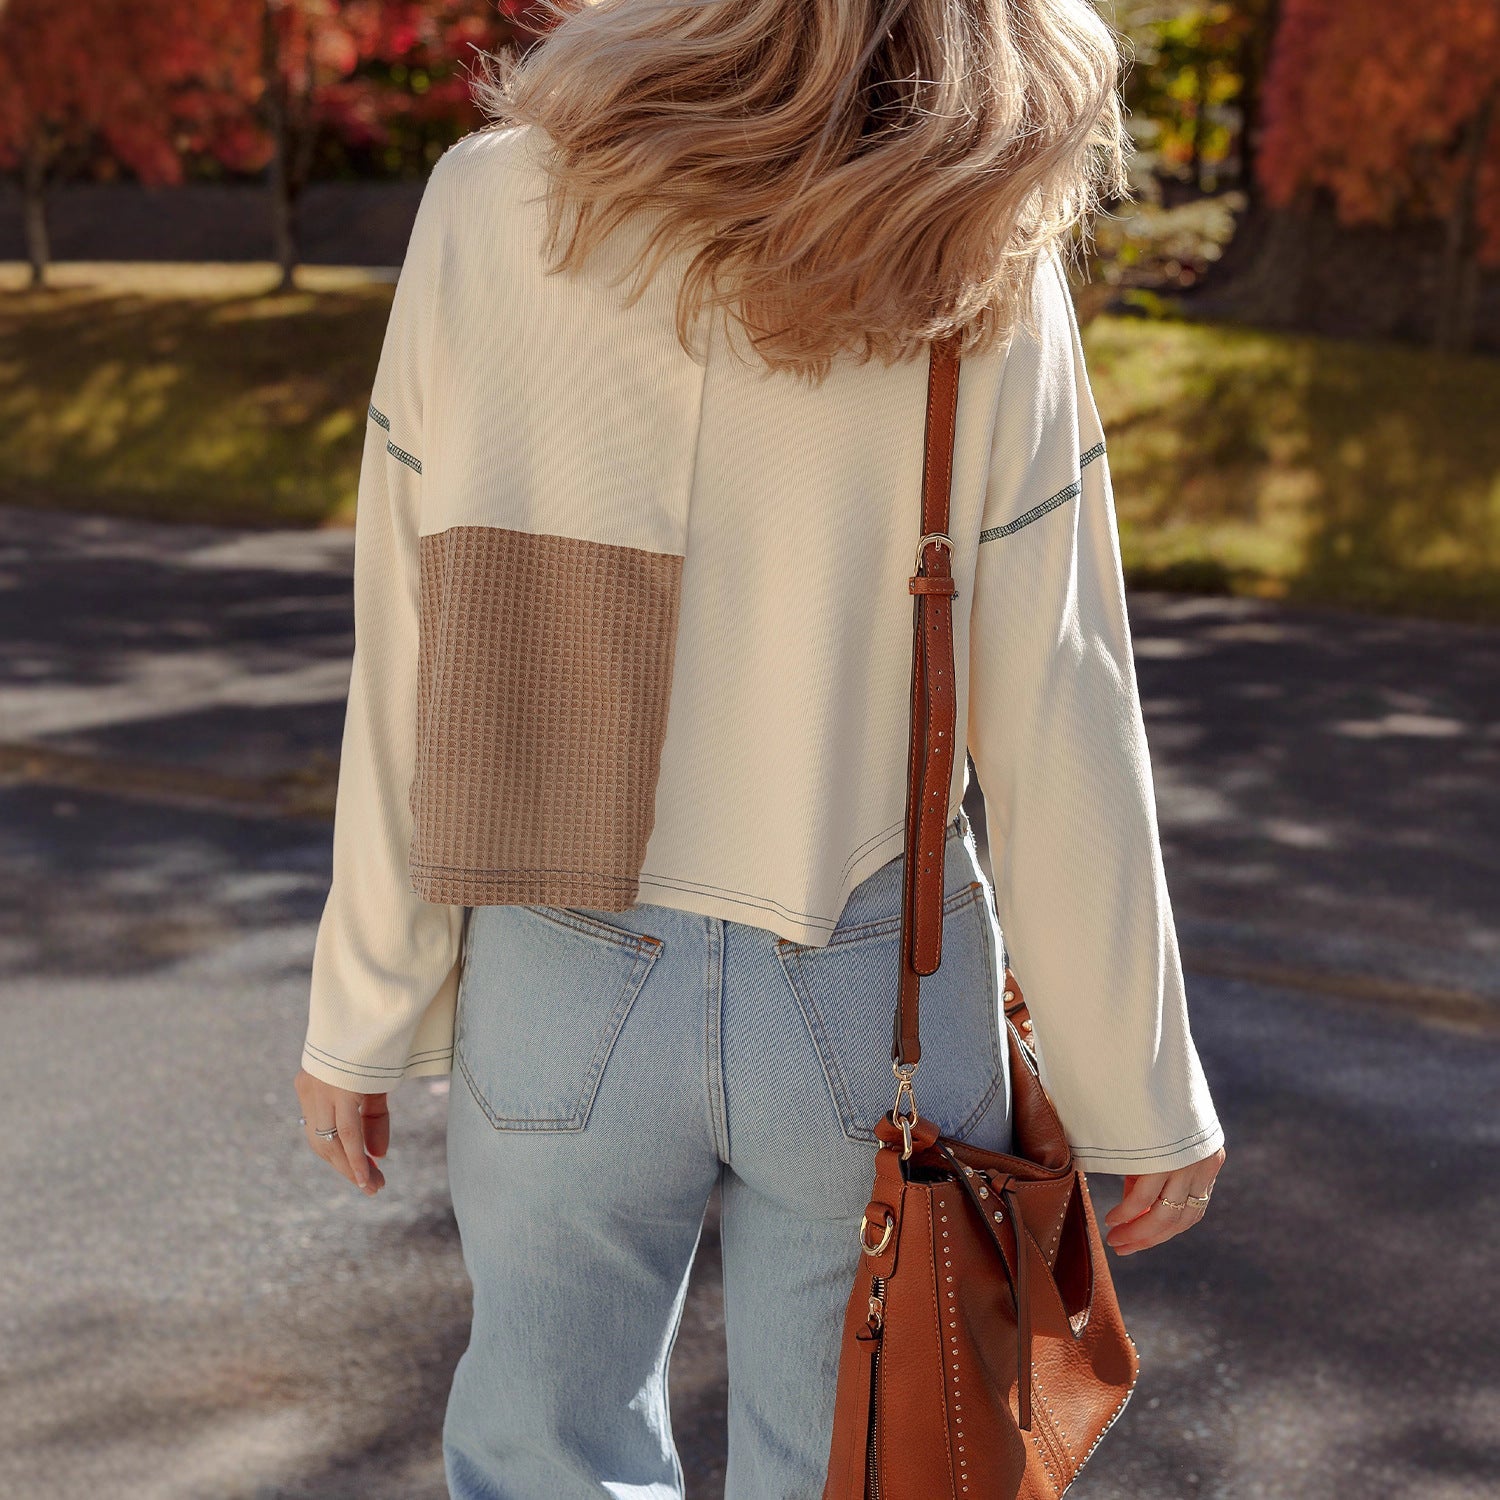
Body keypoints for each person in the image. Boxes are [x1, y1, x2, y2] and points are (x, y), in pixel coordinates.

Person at [294, 1, 1228, 1494]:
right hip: (874, 979)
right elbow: (1057, 694)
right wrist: (1141, 1084)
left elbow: (416, 627)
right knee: (863, 1471)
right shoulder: (975, 228)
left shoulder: (496, 196)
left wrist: (364, 1003)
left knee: (544, 1460)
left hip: (559, 956)